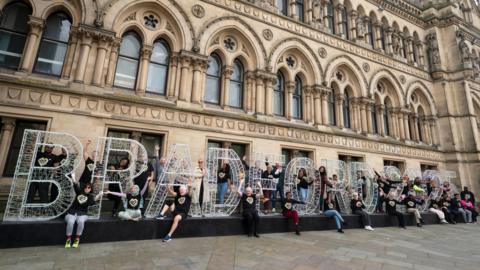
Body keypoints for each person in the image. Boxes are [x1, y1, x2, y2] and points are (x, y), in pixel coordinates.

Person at [64, 178, 103, 248]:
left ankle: (77, 238)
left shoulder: (90, 197)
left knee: (81, 221)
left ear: (91, 189)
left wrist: (99, 196)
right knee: (70, 221)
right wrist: (73, 178)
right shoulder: (79, 192)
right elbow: (75, 185)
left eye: (89, 188)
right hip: (72, 212)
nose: (87, 189)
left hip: (82, 213)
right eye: (86, 187)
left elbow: (92, 202)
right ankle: (68, 239)